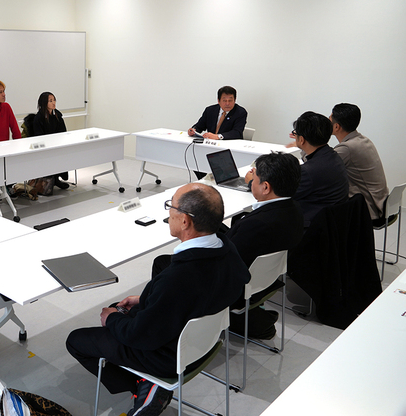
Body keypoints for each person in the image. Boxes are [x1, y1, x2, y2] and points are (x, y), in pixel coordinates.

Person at [66, 183, 250, 416]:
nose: (168, 213)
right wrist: (147, 299)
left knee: (77, 340)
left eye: (170, 207)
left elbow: (139, 336)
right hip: (205, 342)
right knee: (121, 309)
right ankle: (145, 382)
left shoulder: (178, 277)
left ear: (185, 221)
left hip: (166, 357)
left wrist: (111, 319)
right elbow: (187, 299)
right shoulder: (227, 247)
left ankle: (147, 385)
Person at [227, 152, 304, 339]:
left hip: (237, 288)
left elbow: (227, 262)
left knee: (164, 263)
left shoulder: (257, 225)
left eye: (254, 179)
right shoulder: (295, 211)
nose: (251, 182)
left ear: (266, 187)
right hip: (267, 280)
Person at [330, 103, 389, 226]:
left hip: (370, 209)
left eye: (329, 120)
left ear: (336, 127)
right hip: (384, 204)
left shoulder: (347, 148)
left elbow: (320, 165)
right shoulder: (363, 140)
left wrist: (303, 146)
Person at [288, 111, 349, 227]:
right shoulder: (333, 156)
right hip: (332, 226)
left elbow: (278, 193)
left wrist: (252, 181)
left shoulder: (309, 171)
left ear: (301, 140)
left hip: (311, 229)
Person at [33, 91, 69, 189]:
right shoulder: (39, 118)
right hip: (45, 146)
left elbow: (63, 131)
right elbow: (38, 136)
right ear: (44, 103)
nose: (54, 103)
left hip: (57, 144)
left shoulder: (57, 115)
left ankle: (56, 178)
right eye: (50, 101)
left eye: (54, 100)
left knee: (63, 153)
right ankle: (50, 179)